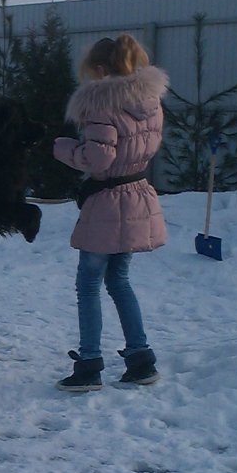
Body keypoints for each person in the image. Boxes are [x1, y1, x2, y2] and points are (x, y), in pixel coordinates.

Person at [53, 34, 169, 391]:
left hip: (107, 202)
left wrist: (64, 149)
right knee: (119, 280)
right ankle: (141, 359)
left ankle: (89, 365)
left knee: (88, 284)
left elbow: (98, 159)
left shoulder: (102, 105)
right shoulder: (149, 101)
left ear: (102, 69)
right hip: (137, 195)